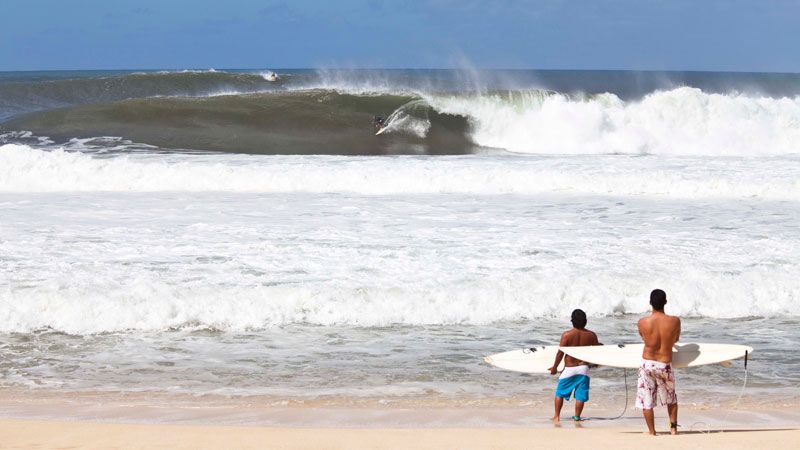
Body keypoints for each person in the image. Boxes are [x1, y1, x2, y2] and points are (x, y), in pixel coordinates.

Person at [636, 289, 681, 435]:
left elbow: (644, 338)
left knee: (646, 400)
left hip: (647, 364)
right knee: (671, 398)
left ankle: (652, 431)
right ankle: (673, 430)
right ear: (665, 302)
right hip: (664, 365)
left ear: (650, 303)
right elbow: (676, 339)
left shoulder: (642, 322)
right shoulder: (675, 321)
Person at [548, 309, 601, 423]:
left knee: (560, 393)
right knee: (580, 395)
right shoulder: (591, 335)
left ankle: (557, 416)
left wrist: (554, 368)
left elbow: (560, 353)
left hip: (569, 368)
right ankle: (577, 417)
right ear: (585, 321)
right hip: (583, 369)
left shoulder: (567, 335)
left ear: (572, 321)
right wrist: (596, 363)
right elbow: (597, 350)